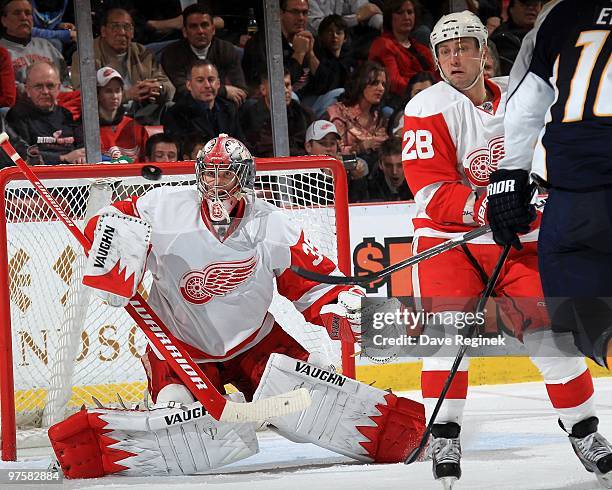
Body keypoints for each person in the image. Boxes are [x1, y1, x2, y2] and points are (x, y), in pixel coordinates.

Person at [47, 134, 426, 478]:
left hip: (256, 342)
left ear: (244, 179)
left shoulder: (271, 224)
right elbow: (110, 220)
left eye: (225, 175)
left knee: (308, 398)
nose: (215, 184)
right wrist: (111, 253)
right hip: (181, 348)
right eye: (209, 174)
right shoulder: (163, 208)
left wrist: (341, 310)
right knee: (176, 409)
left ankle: (391, 434)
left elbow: (313, 285)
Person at [402, 11, 612, 489]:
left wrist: (534, 196)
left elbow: (546, 153)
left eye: (464, 46)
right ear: (436, 60)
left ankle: (584, 431)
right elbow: (429, 191)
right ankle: (446, 434)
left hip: (518, 238)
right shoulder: (425, 107)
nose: (456, 57)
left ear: (484, 51)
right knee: (444, 335)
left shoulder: (519, 92)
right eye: (446, 50)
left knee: (553, 335)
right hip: (446, 239)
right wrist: (486, 206)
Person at [487, 1, 612, 395]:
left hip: (577, 201)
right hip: (577, 198)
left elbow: (525, 104)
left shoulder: (559, 15)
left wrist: (509, 176)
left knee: (586, 318)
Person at [70, 7, 175, 123]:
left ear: (133, 32)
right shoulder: (86, 55)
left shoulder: (142, 52)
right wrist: (127, 95)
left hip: (141, 113)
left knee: (171, 108)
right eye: (115, 27)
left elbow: (170, 88)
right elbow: (83, 97)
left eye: (127, 27)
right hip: (105, 118)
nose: (122, 32)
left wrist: (156, 88)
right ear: (103, 31)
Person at [160, 4, 247, 105]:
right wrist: (223, 91)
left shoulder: (226, 49)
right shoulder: (172, 53)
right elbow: (183, 91)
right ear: (185, 32)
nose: (200, 31)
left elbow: (241, 89)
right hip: (188, 107)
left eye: (205, 25)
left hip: (222, 106)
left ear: (213, 29)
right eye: (193, 26)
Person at [6, 60, 84, 164]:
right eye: (38, 86)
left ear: (59, 88)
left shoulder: (67, 115)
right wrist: (62, 157)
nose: (45, 92)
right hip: (37, 175)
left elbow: (83, 147)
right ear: (27, 89)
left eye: (50, 86)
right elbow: (21, 154)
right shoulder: (16, 116)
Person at [368, 0, 436, 104]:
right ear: (390, 17)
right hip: (400, 102)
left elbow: (437, 74)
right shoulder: (383, 44)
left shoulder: (421, 48)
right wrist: (425, 91)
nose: (406, 17)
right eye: (400, 13)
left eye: (410, 12)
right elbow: (395, 82)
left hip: (431, 97)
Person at [324, 61, 389, 169]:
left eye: (383, 84)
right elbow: (335, 152)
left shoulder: (379, 117)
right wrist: (362, 146)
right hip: (342, 164)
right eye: (375, 83)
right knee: (362, 164)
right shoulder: (338, 113)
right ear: (361, 84)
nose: (381, 88)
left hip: (374, 166)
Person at [162, 60, 244, 144]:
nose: (207, 85)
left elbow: (241, 144)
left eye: (211, 80)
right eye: (200, 80)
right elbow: (181, 150)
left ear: (218, 84)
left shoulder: (228, 108)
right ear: (189, 85)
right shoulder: (176, 113)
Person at [242, 0, 317, 92]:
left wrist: (311, 55)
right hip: (274, 100)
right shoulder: (260, 43)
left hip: (307, 100)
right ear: (280, 13)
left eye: (304, 12)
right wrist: (299, 54)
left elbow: (327, 85)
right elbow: (276, 87)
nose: (301, 18)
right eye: (295, 12)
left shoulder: (310, 39)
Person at [0, 0, 70, 95]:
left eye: (28, 13)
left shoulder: (47, 46)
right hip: (20, 105)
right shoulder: (2, 51)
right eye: (17, 13)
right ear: (4, 21)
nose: (24, 17)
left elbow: (66, 82)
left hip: (58, 102)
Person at [240, 68, 312, 157]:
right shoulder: (250, 116)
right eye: (279, 86)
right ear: (263, 90)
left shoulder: (302, 112)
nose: (286, 91)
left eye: (287, 85)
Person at [304, 119, 368, 202]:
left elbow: (360, 203)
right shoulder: (298, 172)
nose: (329, 149)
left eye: (332, 143)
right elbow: (314, 207)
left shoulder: (343, 169)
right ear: (308, 146)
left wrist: (357, 178)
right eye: (323, 143)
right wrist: (326, 178)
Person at [97, 66, 147, 162]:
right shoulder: (88, 129)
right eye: (108, 91)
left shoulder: (135, 126)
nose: (115, 96)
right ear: (97, 94)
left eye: (117, 90)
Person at [490, 0, 544, 75]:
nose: (531, 8)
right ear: (511, 9)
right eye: (525, 3)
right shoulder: (502, 38)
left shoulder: (548, 34)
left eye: (535, 4)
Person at [366, 136, 412, 201]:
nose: (394, 171)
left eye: (400, 165)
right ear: (380, 164)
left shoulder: (419, 185)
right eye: (389, 165)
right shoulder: (369, 185)